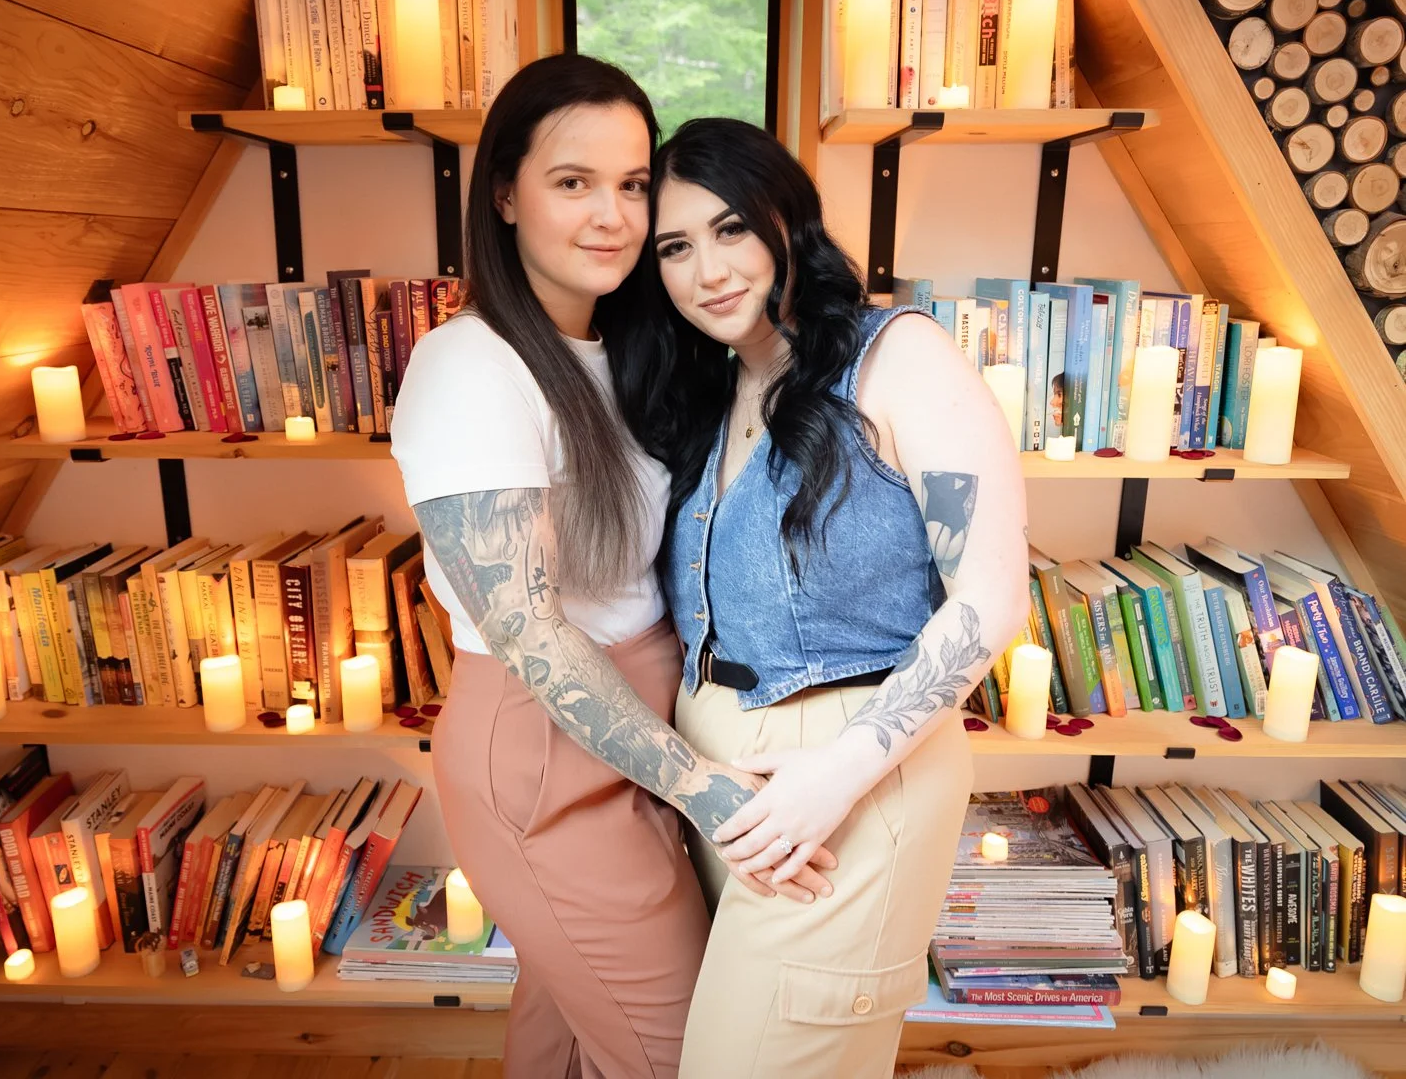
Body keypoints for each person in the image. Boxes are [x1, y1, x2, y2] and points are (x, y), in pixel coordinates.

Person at [390, 57, 833, 1079]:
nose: (613, 216)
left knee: (571, 1032)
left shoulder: (621, 346)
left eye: (633, 185)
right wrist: (706, 789)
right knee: (686, 1055)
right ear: (504, 192)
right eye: (572, 182)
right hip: (547, 754)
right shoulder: (470, 365)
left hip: (635, 737)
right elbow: (531, 634)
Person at [609, 117, 1030, 1077]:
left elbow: (993, 593)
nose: (706, 268)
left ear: (786, 221)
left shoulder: (900, 358)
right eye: (675, 246)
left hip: (849, 778)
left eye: (730, 230)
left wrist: (834, 777)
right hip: (725, 779)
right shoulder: (718, 389)